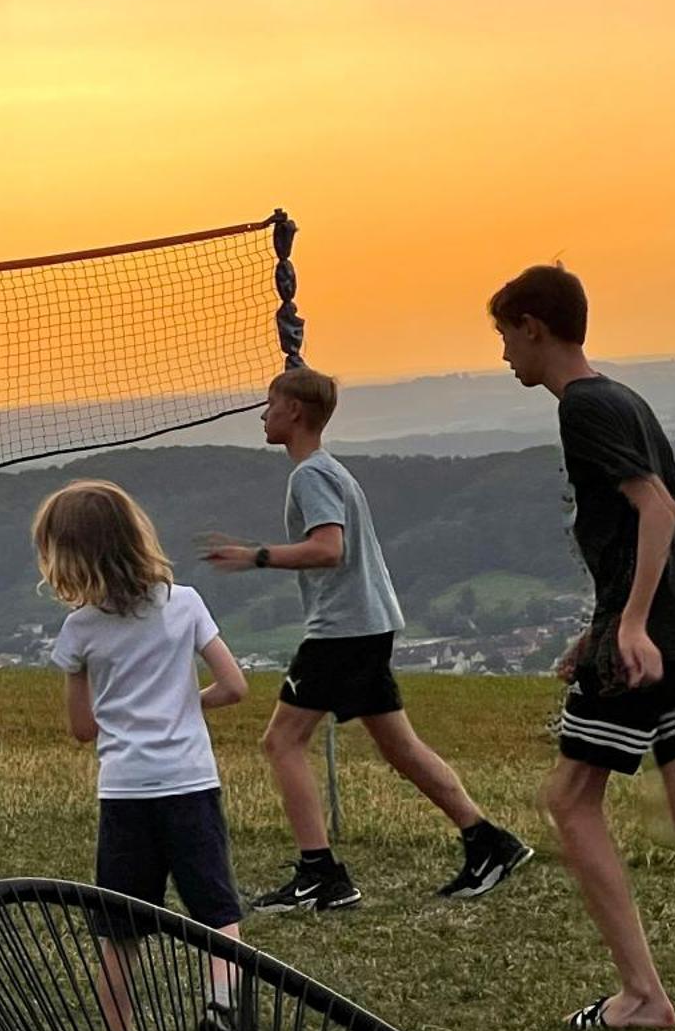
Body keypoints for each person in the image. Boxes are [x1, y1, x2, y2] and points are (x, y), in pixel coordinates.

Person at [492, 264, 675, 1030]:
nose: (505, 354)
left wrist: (630, 625)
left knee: (569, 800)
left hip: (654, 630)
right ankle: (643, 994)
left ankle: (643, 996)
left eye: (506, 336)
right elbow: (644, 524)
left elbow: (657, 509)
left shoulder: (585, 407)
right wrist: (604, 623)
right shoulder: (621, 397)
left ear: (534, 327)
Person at [204, 368, 531, 910]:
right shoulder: (329, 470)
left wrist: (255, 555)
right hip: (370, 623)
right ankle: (488, 843)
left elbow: (328, 549)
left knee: (282, 742)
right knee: (399, 747)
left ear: (295, 414)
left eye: (270, 404)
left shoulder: (309, 475)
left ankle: (320, 874)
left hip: (343, 629)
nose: (262, 414)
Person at [35, 479, 254, 1031]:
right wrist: (185, 705)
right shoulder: (184, 603)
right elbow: (236, 687)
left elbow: (82, 728)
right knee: (218, 911)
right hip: (189, 781)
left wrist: (128, 716)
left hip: (126, 790)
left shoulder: (79, 629)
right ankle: (221, 1006)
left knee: (120, 929)